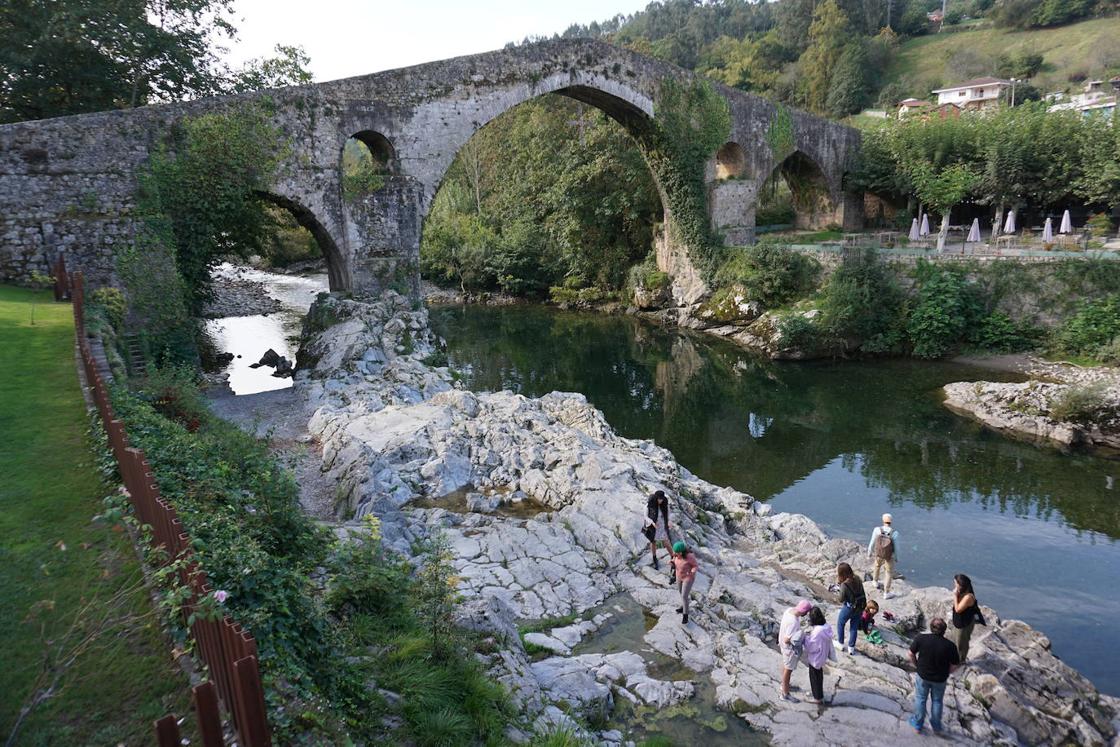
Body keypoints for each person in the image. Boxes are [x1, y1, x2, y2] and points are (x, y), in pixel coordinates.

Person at [908, 617, 960, 734]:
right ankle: (936, 727)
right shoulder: (950, 646)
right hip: (940, 679)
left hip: (923, 675)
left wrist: (917, 665)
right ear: (944, 630)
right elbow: (956, 664)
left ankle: (918, 725)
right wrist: (948, 672)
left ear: (931, 628)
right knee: (937, 701)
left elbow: (910, 653)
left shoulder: (921, 638)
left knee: (921, 699)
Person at [778, 599, 812, 702]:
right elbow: (787, 640)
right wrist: (799, 636)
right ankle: (785, 694)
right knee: (788, 669)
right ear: (803, 611)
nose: (807, 614)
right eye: (806, 612)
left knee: (785, 665)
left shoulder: (789, 610)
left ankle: (784, 685)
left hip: (781, 644)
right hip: (789, 649)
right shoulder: (793, 622)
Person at [802, 606, 837, 704]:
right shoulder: (826, 626)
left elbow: (812, 647)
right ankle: (820, 695)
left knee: (814, 678)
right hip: (822, 656)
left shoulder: (817, 632)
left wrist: (805, 639)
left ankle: (817, 698)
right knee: (819, 675)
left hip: (815, 658)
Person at [951, 573, 986, 663]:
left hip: (964, 624)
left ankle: (961, 660)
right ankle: (956, 657)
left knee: (961, 643)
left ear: (961, 585)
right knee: (955, 640)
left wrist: (955, 596)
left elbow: (958, 609)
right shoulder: (962, 592)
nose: (954, 585)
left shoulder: (968, 597)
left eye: (956, 583)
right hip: (959, 621)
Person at [835, 562, 867, 655]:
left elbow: (841, 599)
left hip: (849, 608)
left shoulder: (844, 585)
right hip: (860, 607)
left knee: (841, 623)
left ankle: (840, 643)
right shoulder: (857, 578)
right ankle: (851, 648)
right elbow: (862, 591)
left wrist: (839, 590)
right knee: (854, 627)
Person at [665, 539, 698, 625]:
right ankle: (683, 606)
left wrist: (693, 571)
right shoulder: (676, 555)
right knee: (681, 593)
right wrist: (671, 563)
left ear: (682, 552)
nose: (675, 554)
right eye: (675, 552)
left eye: (677, 552)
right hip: (679, 576)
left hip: (688, 578)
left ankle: (685, 615)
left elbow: (695, 565)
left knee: (684, 595)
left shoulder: (690, 556)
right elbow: (674, 561)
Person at [867, 513, 899, 597]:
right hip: (889, 556)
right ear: (891, 521)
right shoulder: (894, 533)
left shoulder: (877, 530)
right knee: (889, 572)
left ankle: (875, 581)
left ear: (883, 520)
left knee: (877, 566)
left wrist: (869, 552)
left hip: (879, 554)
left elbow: (872, 542)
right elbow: (897, 548)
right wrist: (896, 557)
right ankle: (886, 592)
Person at [644, 490, 672, 570]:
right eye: (659, 499)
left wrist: (669, 521)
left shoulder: (665, 505)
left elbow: (668, 514)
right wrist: (652, 523)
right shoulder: (649, 505)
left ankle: (673, 557)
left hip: (662, 525)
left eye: (662, 499)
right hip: (653, 525)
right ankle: (654, 557)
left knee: (666, 541)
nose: (660, 501)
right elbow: (646, 517)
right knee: (653, 542)